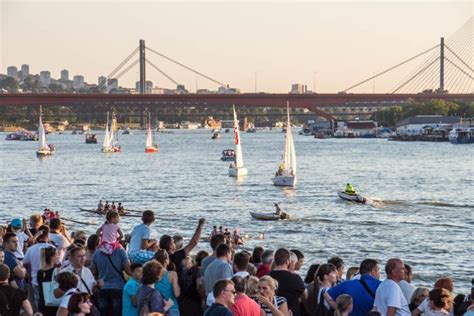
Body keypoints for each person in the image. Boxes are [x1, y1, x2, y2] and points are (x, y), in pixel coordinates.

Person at [91, 241, 132, 316]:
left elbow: (93, 272)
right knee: (117, 312)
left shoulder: (97, 253)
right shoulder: (120, 251)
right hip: (118, 287)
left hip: (102, 288)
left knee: (103, 313)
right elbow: (129, 271)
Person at [268, 248, 306, 316]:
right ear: (288, 261)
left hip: (270, 312)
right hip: (291, 311)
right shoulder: (295, 278)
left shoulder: (267, 276)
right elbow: (305, 295)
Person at [23, 225, 54, 308]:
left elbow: (24, 263)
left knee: (38, 302)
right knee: (49, 302)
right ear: (48, 235)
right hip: (50, 280)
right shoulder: (52, 248)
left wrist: (28, 273)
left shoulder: (31, 249)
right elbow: (58, 264)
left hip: (35, 280)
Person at [178, 250, 209, 316]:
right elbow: (199, 286)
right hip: (195, 301)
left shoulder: (188, 270)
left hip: (184, 301)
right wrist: (204, 298)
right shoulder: (199, 270)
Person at [154, 249, 181, 316]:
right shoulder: (172, 274)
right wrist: (179, 288)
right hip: (172, 308)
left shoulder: (152, 274)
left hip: (157, 308)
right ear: (166, 260)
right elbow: (176, 294)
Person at [37, 247, 60, 316]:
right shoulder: (57, 271)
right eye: (56, 255)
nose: (58, 257)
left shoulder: (40, 272)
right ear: (52, 257)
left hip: (43, 302)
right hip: (54, 303)